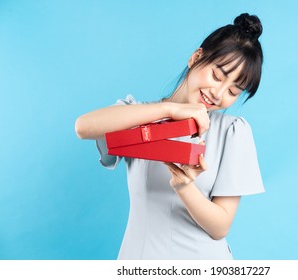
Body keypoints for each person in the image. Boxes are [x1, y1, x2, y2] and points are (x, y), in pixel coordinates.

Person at [75, 13, 265, 260]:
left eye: (232, 91)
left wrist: (184, 186)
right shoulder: (139, 115)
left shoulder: (233, 132)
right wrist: (168, 110)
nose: (217, 93)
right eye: (217, 76)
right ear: (196, 58)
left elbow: (220, 227)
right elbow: (84, 127)